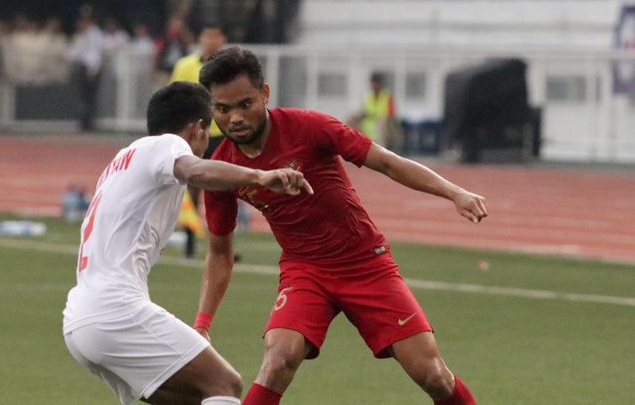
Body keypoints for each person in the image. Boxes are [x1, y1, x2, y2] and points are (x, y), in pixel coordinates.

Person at [196, 46, 488, 405]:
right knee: (278, 359)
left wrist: (454, 192)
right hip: (305, 271)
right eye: (222, 109)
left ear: (265, 94)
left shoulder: (310, 127)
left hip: (365, 262)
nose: (235, 118)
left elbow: (387, 162)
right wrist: (203, 322)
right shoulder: (222, 170)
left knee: (432, 375)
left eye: (245, 104)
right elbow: (219, 252)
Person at [62, 81, 313, 405]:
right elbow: (193, 169)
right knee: (225, 384)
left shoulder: (122, 161)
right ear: (197, 128)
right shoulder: (165, 146)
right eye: (208, 132)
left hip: (80, 317)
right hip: (114, 310)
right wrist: (259, 176)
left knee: (196, 398)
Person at [170, 23, 227, 258]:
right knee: (192, 190)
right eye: (207, 36)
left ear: (222, 39)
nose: (211, 41)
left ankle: (223, 245)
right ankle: (190, 243)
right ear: (200, 38)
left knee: (224, 190)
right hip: (194, 137)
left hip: (222, 135)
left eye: (215, 36)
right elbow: (172, 98)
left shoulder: (229, 69)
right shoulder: (185, 66)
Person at [66, 8, 104, 131]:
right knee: (83, 96)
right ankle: (83, 122)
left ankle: (88, 123)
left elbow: (95, 54)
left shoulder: (95, 34)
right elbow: (79, 52)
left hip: (91, 69)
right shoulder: (83, 34)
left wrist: (92, 71)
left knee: (89, 97)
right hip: (83, 67)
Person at [360, 71, 401, 150]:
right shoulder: (367, 97)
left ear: (381, 84)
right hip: (368, 134)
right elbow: (364, 113)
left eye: (376, 83)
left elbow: (391, 116)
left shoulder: (387, 97)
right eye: (372, 83)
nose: (374, 86)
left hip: (382, 135)